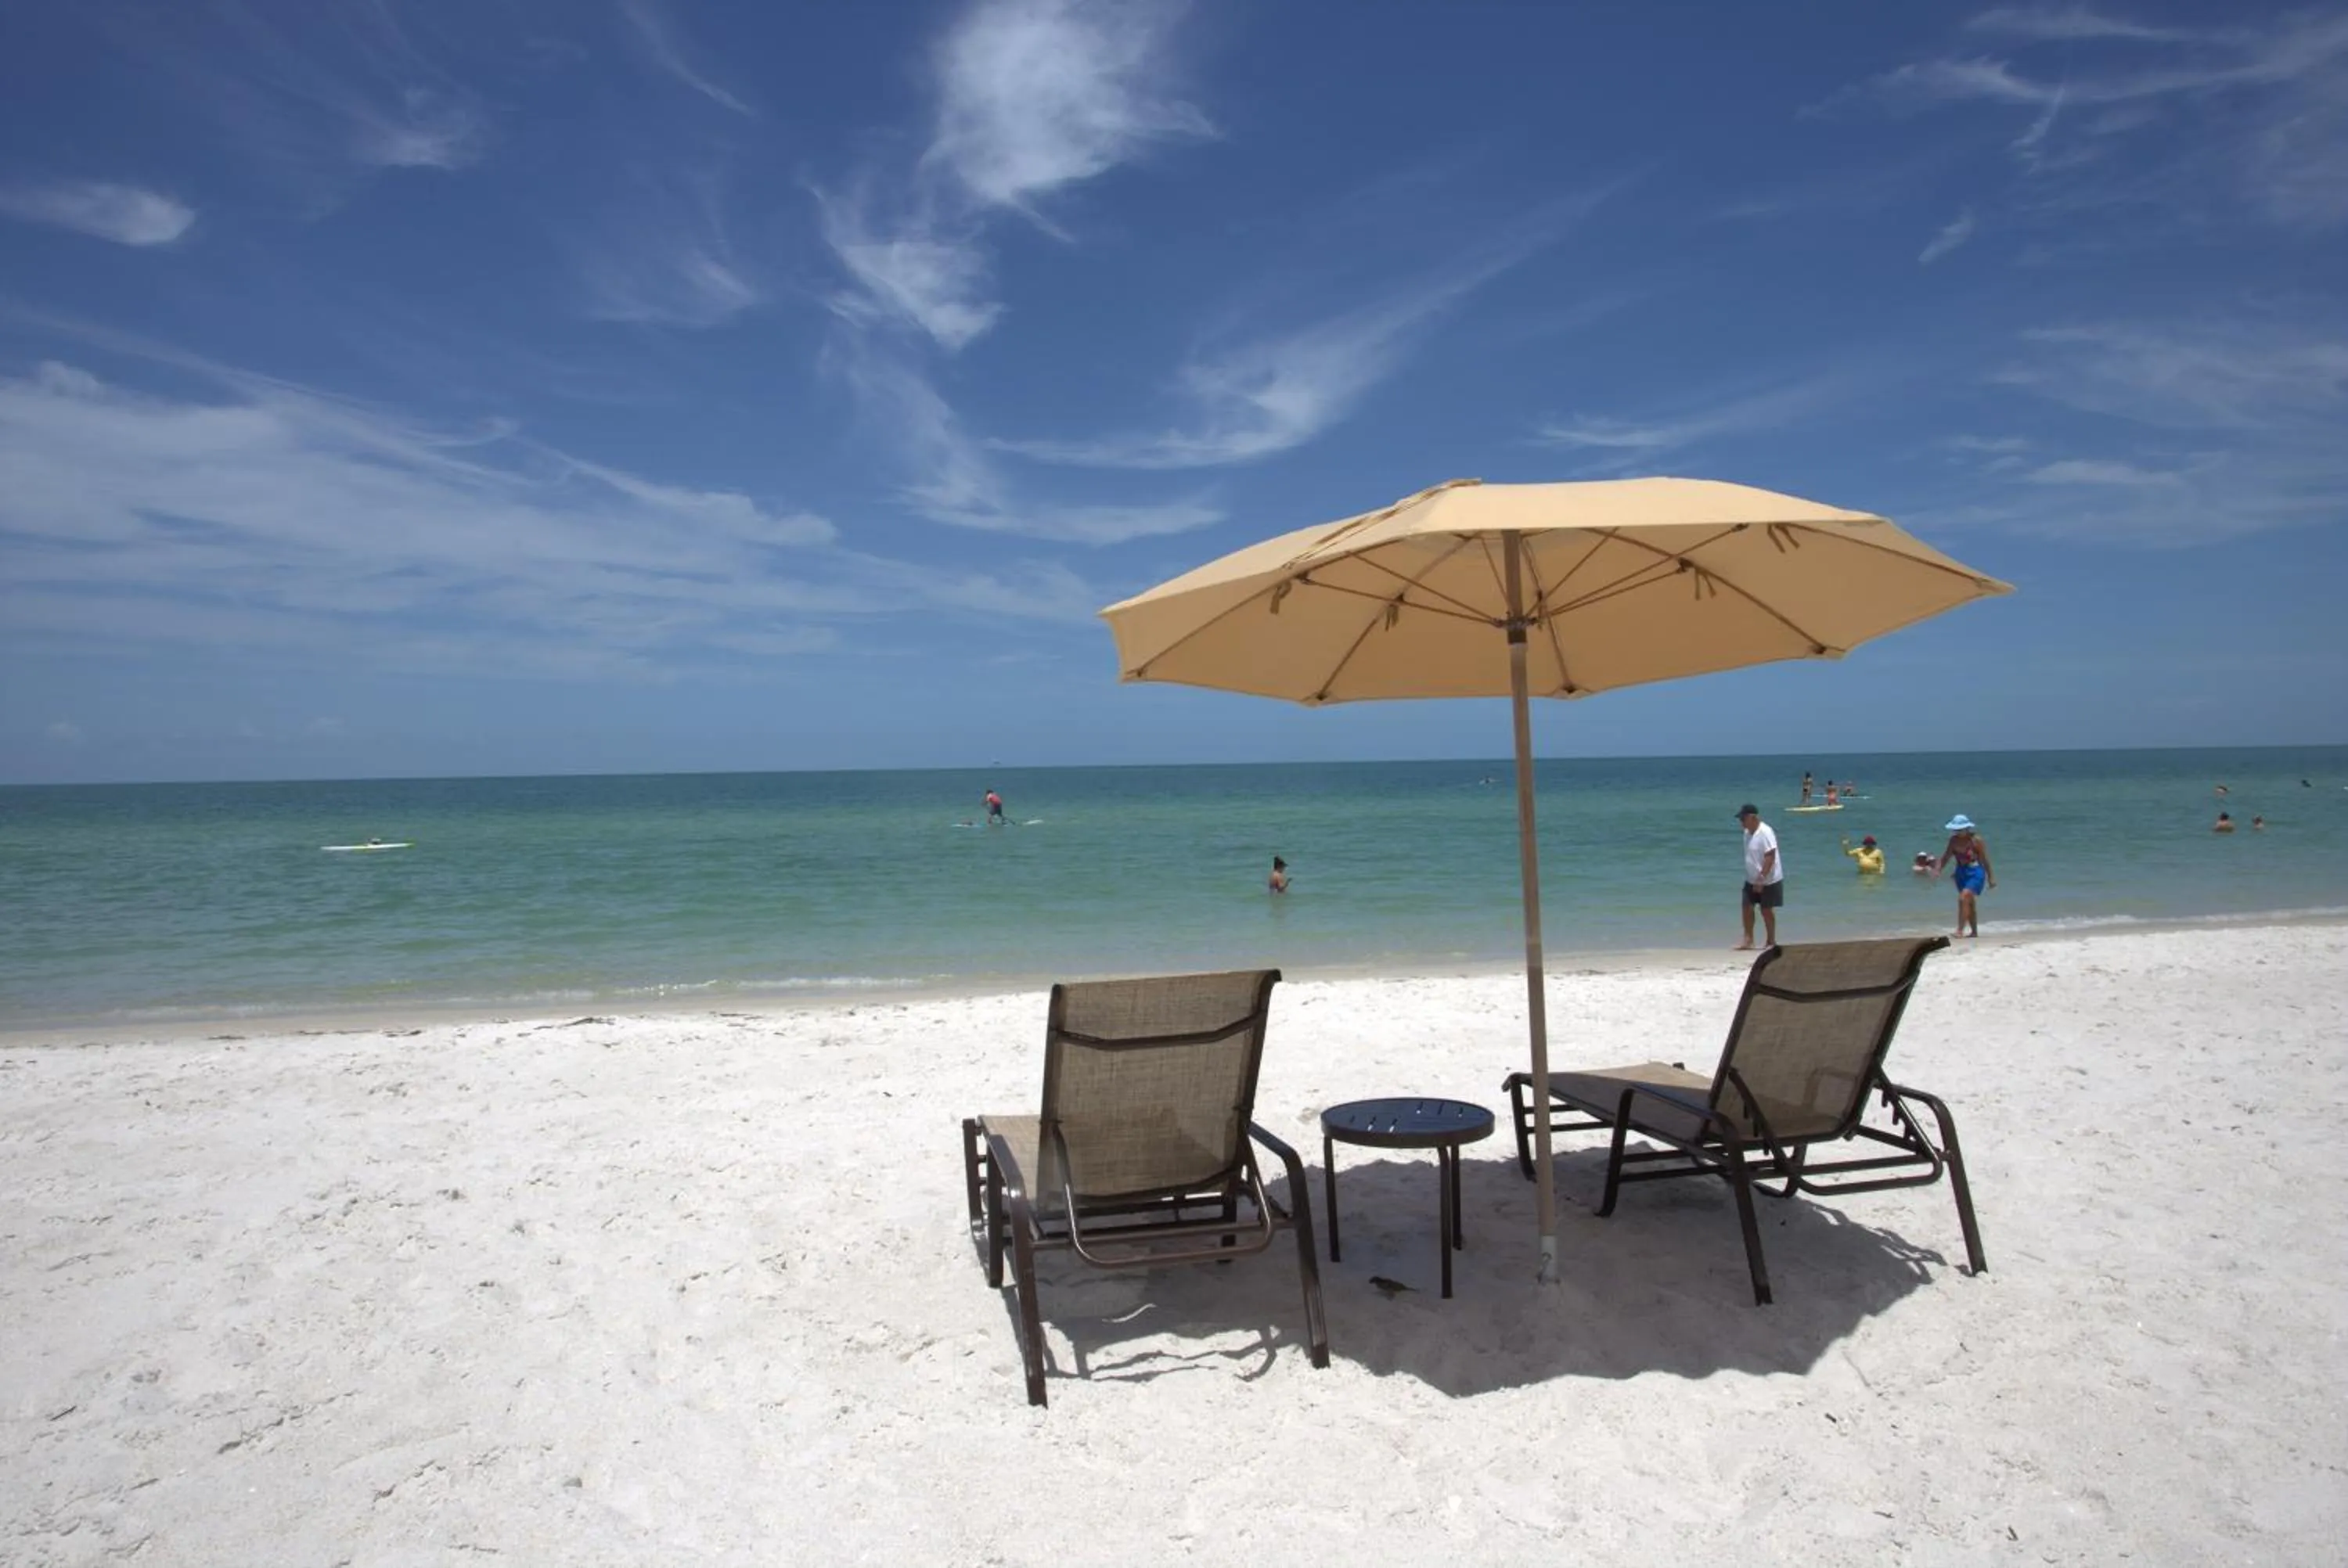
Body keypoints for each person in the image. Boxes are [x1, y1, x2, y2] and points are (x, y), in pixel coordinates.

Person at [1936, 815, 1996, 938]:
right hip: (1961, 873)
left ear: (1967, 828)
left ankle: (1960, 931)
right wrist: (1938, 869)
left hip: (1976, 872)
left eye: (1960, 829)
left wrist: (1991, 877)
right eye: (1956, 829)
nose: (1957, 832)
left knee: (1963, 898)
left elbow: (1984, 859)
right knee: (1969, 903)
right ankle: (1974, 932)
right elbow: (1946, 856)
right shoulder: (1953, 841)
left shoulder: (1976, 840)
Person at [1735, 804, 1784, 950]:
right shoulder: (1746, 832)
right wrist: (1754, 878)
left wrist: (1762, 878)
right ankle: (1748, 940)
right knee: (1747, 907)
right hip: (1751, 879)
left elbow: (1770, 856)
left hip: (1769, 879)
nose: (1741, 822)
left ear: (1753, 818)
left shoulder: (1766, 832)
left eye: (1743, 819)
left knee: (1766, 910)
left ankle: (1771, 941)